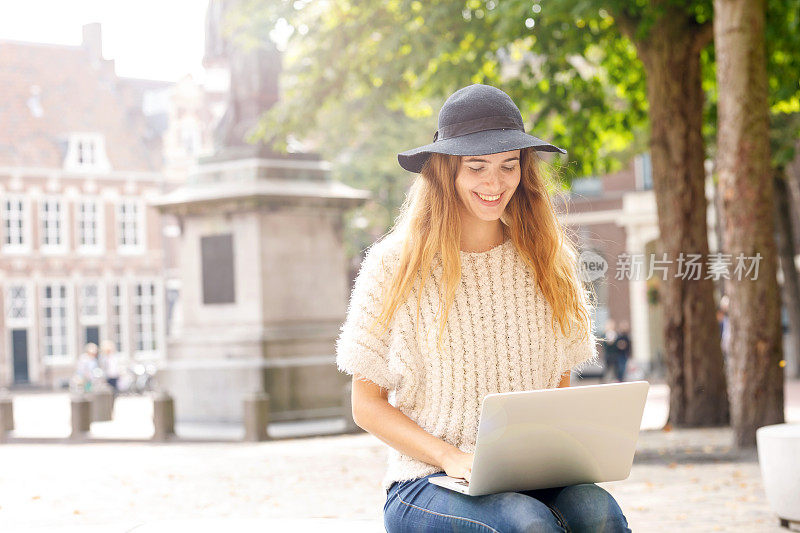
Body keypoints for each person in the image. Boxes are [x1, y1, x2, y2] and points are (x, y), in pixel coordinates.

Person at [336, 84, 631, 532]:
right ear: (445, 172)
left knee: (600, 513)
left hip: (530, 476)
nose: (494, 184)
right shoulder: (393, 265)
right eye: (476, 168)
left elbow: (559, 385)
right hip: (426, 481)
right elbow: (367, 405)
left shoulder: (551, 262)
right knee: (525, 523)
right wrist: (450, 456)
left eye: (508, 166)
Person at [601, 319, 620, 383]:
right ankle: (604, 380)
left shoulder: (615, 334)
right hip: (608, 354)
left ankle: (616, 380)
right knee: (607, 368)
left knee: (616, 368)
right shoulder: (605, 334)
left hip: (614, 354)